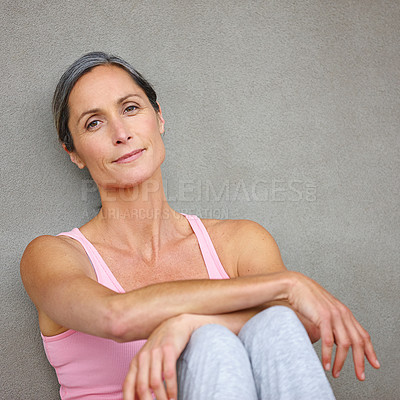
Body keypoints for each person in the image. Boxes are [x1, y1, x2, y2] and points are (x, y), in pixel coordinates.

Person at [20, 52, 380, 400]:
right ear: (74, 152)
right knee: (214, 342)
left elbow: (303, 322)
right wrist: (288, 283)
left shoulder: (239, 241)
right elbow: (117, 316)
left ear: (159, 117)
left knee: (267, 326)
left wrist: (185, 325)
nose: (121, 132)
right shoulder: (52, 256)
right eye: (93, 123)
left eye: (130, 108)